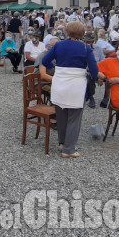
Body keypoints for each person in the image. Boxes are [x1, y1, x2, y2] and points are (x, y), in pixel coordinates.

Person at [41, 21, 98, 158]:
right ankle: (69, 149)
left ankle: (62, 143)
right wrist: (93, 77)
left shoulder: (59, 44)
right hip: (76, 84)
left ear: (67, 31)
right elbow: (94, 69)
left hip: (59, 82)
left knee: (61, 115)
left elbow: (45, 61)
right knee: (74, 117)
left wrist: (58, 69)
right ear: (82, 33)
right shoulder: (85, 48)